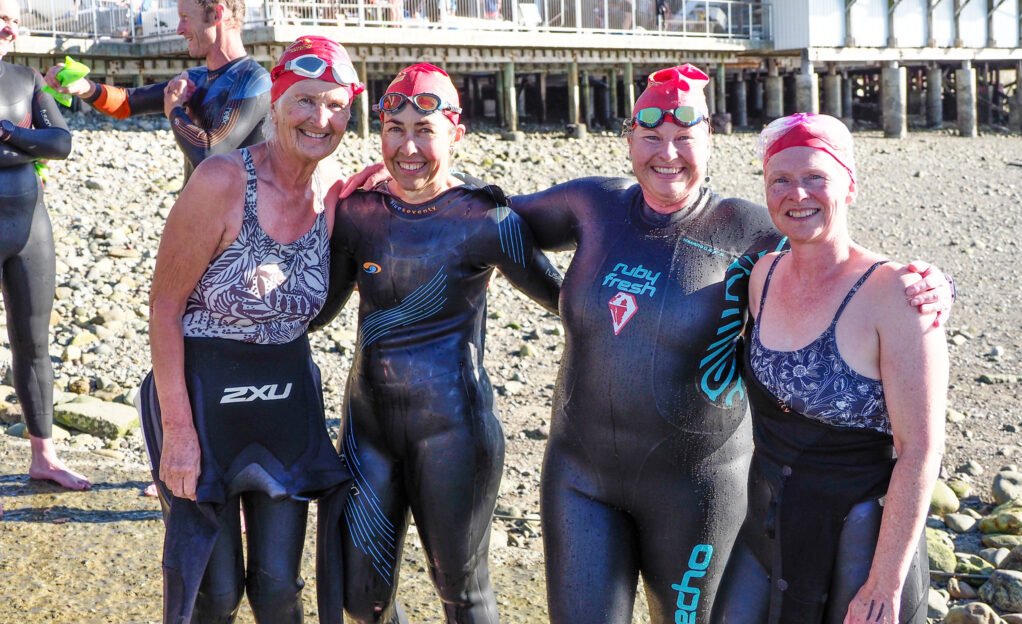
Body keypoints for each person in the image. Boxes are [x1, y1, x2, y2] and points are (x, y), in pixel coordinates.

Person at [505, 65, 953, 624]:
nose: (667, 154)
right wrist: (403, 183)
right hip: (580, 478)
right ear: (628, 138)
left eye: (684, 138)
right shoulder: (593, 207)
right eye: (651, 136)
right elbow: (486, 218)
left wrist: (932, 286)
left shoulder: (751, 232)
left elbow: (838, 259)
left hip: (698, 490)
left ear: (709, 140)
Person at [311, 63, 562, 624]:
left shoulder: (486, 219)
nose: (408, 146)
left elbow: (572, 306)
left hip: (456, 435)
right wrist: (311, 226)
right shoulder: (358, 213)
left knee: (463, 596)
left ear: (456, 134)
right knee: (361, 600)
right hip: (368, 431)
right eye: (394, 128)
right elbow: (317, 314)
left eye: (425, 129)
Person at [141, 36, 364, 623]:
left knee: (278, 589)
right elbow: (164, 309)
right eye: (307, 101)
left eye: (338, 106)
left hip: (285, 398)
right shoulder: (221, 180)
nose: (322, 118)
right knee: (210, 593)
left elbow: (413, 207)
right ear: (277, 98)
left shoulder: (336, 191)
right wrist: (178, 431)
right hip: (200, 397)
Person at [711, 113, 945, 624]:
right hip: (766, 528)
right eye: (781, 180)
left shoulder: (899, 295)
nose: (798, 193)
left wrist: (884, 584)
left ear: (851, 185)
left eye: (816, 176)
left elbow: (921, 449)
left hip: (862, 547)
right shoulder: (760, 277)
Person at [44, 0, 270, 184]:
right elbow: (127, 103)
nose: (179, 30)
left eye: (185, 18)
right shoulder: (196, 78)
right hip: (200, 214)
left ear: (217, 15)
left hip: (242, 221)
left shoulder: (254, 81)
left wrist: (174, 111)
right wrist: (84, 87)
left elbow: (211, 155)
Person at [0, 0, 85, 521]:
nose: (11, 23)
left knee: (34, 342)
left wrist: (9, 133)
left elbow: (61, 141)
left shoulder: (26, 81)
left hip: (30, 226)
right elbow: (43, 141)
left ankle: (44, 455)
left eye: (11, 15)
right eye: (2, 14)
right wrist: (26, 139)